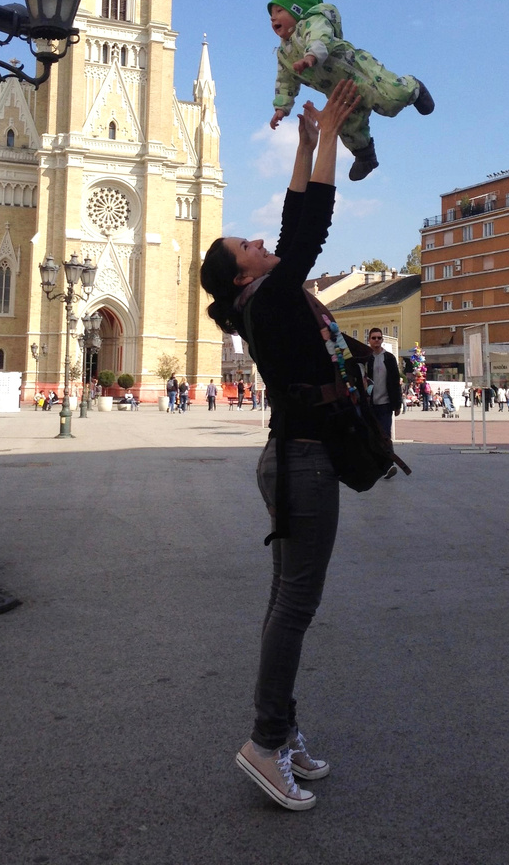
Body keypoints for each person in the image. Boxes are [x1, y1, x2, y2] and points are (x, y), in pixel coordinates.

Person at [199, 78, 362, 811]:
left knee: (285, 601)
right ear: (242, 272)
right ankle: (266, 744)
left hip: (293, 459)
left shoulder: (259, 301)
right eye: (248, 244)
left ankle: (282, 729)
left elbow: (295, 229)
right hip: (302, 463)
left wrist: (305, 148)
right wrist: (328, 141)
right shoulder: (268, 299)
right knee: (295, 606)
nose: (260, 241)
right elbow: (308, 232)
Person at [268, 0, 434, 181]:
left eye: (279, 11)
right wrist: (281, 108)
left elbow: (319, 38)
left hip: (360, 72)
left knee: (390, 101)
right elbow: (284, 81)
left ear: (298, 10)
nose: (273, 17)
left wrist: (311, 56)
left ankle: (413, 87)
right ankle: (365, 156)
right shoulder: (283, 55)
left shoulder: (311, 23)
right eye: (271, 15)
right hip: (340, 91)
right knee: (347, 125)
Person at [364, 328, 402, 440]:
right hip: (370, 404)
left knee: (385, 435)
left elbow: (395, 382)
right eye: (373, 338)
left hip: (385, 404)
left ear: (382, 340)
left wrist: (397, 404)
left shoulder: (389, 358)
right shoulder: (366, 358)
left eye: (379, 338)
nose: (376, 340)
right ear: (369, 340)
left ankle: (387, 452)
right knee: (371, 436)